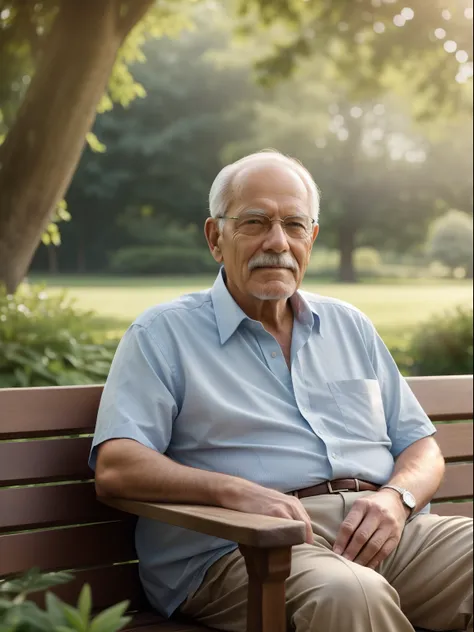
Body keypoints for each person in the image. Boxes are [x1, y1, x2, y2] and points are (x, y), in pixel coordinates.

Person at [90, 150, 473, 632]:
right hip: (247, 547)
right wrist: (236, 493)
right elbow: (117, 465)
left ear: (311, 238)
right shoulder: (163, 334)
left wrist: (397, 499)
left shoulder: (349, 326)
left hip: (384, 531)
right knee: (349, 594)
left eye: (294, 225)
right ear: (215, 237)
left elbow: (421, 447)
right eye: (255, 222)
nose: (278, 242)